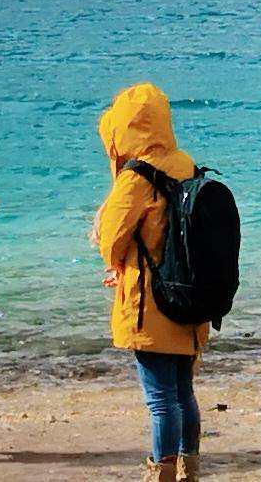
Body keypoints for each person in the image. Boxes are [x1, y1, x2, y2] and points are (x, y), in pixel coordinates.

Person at [90, 83, 212, 482]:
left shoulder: (136, 177)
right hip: (191, 295)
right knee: (183, 392)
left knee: (161, 401)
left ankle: (161, 470)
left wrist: (116, 262)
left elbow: (112, 235)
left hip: (151, 301)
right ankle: (189, 466)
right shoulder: (186, 163)